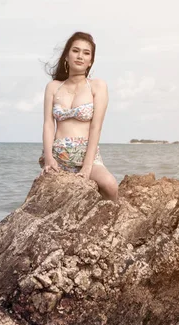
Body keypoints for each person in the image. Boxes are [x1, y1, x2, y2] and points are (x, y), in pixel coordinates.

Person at [39, 32, 119, 201]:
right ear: (67, 56)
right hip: (58, 156)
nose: (80, 56)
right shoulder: (53, 87)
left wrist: (87, 167)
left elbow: (96, 127)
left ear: (91, 61)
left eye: (86, 53)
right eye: (76, 51)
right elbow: (48, 124)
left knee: (110, 185)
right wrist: (48, 159)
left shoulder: (97, 86)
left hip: (86, 156)